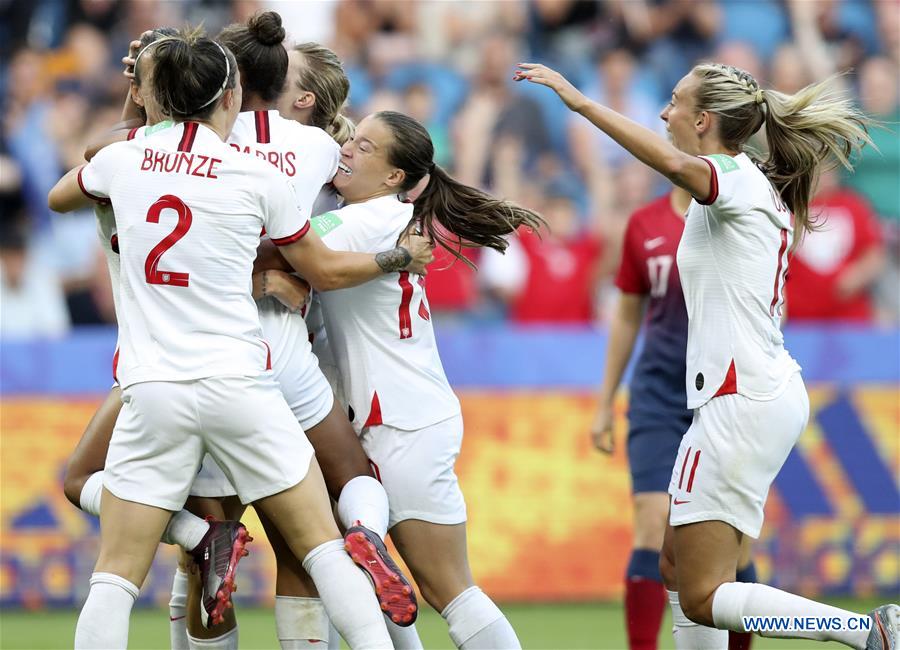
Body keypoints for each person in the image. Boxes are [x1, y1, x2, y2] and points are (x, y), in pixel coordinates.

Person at [49, 29, 433, 650]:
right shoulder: (255, 175)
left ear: (155, 96)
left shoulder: (121, 160)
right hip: (241, 381)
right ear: (230, 96)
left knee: (115, 579)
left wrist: (138, 113)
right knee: (322, 549)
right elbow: (325, 270)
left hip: (153, 389)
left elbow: (60, 193)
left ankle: (202, 539)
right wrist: (394, 257)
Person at [514, 61, 898, 648]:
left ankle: (861, 630)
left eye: (672, 102)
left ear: (703, 119)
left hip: (738, 400)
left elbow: (670, 162)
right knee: (674, 562)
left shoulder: (732, 179)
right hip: (740, 395)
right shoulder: (739, 181)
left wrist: (580, 103)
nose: (664, 113)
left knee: (702, 592)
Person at [259, 109, 543, 650]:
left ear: (394, 178)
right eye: (352, 138)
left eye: (364, 147)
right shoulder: (375, 219)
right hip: (386, 417)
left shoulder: (367, 220)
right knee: (372, 578)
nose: (347, 150)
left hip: (405, 422)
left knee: (448, 589)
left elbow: (278, 245)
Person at [591, 186, 755, 650]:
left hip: (726, 395)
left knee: (733, 542)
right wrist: (606, 402)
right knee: (652, 519)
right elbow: (627, 315)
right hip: (658, 394)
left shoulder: (742, 212)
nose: (669, 117)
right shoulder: (644, 223)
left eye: (679, 108)